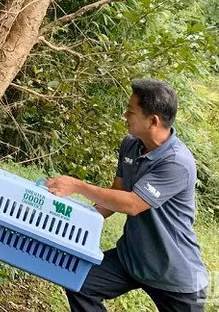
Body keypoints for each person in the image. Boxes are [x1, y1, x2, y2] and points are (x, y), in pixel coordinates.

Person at [45, 79, 208, 312]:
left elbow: (132, 204)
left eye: (131, 111)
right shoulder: (131, 144)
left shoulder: (177, 162)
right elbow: (117, 194)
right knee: (79, 283)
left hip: (174, 273)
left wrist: (77, 185)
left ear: (153, 120)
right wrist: (74, 221)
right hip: (131, 259)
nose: (125, 114)